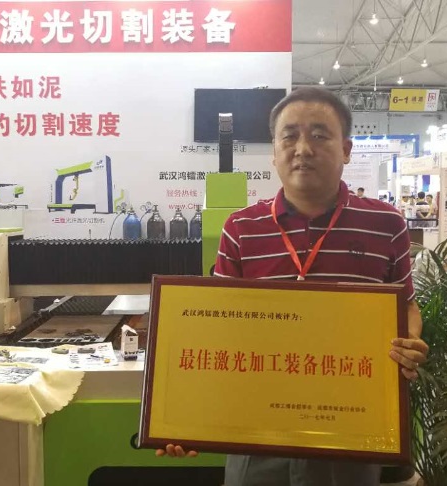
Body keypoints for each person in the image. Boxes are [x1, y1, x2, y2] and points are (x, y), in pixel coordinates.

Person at [157, 87, 428, 486]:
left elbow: (406, 305)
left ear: (346, 149)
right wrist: (185, 415)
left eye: (319, 135)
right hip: (255, 428)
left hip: (347, 428)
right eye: (289, 136)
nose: (303, 148)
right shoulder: (241, 227)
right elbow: (214, 329)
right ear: (274, 151)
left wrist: (410, 341)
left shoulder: (386, 224)